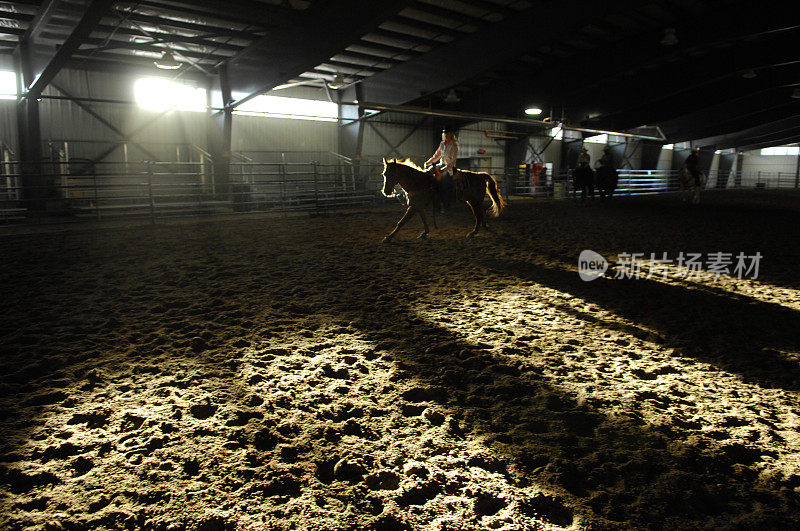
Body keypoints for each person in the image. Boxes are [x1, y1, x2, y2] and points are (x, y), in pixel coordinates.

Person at [425, 126, 459, 211]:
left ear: (451, 134)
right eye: (445, 134)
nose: (445, 135)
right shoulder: (442, 144)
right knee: (428, 174)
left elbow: (452, 162)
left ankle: (446, 204)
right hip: (440, 165)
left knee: (444, 182)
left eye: (447, 134)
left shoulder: (454, 146)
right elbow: (437, 156)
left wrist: (443, 170)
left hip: (449, 168)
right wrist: (428, 162)